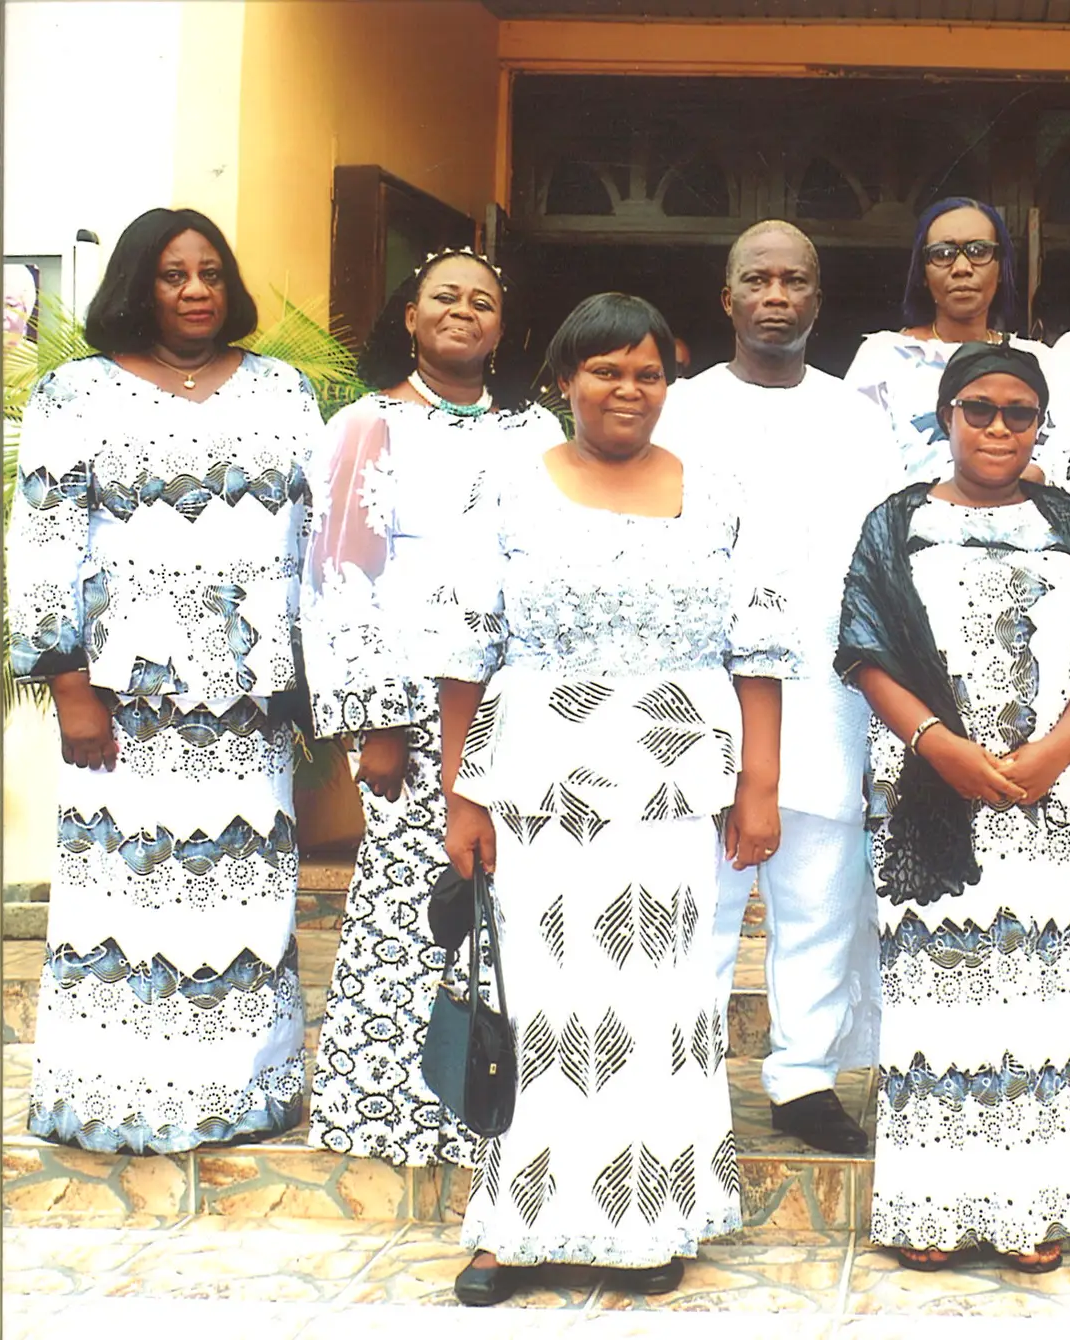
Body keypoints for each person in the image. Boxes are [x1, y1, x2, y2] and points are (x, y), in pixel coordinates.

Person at [430, 293, 794, 1305]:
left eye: (647, 373)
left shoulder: (719, 493)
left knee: (657, 997)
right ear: (563, 380)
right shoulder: (507, 488)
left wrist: (759, 787)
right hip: (538, 783)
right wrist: (462, 800)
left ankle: (647, 1219)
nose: (627, 389)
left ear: (669, 385)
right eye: (605, 370)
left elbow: (760, 652)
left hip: (670, 786)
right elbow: (463, 656)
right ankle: (514, 1228)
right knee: (542, 998)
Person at [5, 206, 320, 1152]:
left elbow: (318, 536)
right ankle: (118, 1095)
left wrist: (319, 677)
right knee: (127, 897)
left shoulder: (283, 390)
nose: (195, 291)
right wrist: (68, 684)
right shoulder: (75, 393)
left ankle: (241, 1092)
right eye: (174, 274)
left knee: (242, 898)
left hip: (249, 700)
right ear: (139, 283)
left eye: (211, 273)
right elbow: (44, 540)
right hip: (125, 701)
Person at [837, 341, 1070, 1272]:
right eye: (979, 409)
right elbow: (864, 650)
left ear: (1041, 423)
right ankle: (930, 1208)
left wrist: (1053, 753)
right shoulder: (895, 523)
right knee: (939, 1006)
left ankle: (1031, 1207)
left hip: (1047, 803)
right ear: (946, 417)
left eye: (1019, 412)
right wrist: (940, 747)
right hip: (931, 797)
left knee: (1039, 1002)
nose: (999, 427)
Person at [302, 249, 561, 1167]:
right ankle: (396, 1113)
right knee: (417, 906)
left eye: (482, 301)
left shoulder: (535, 431)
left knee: (513, 899)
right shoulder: (367, 424)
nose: (463, 311)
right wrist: (373, 724)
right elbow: (339, 578)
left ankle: (504, 1114)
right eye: (444, 297)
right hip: (408, 710)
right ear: (409, 316)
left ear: (504, 327)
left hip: (517, 702)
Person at [655, 220, 899, 1153]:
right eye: (757, 279)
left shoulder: (857, 418)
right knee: (699, 905)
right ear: (728, 298)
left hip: (829, 696)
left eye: (795, 280)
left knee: (819, 900)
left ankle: (803, 1081)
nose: (776, 296)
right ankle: (683, 1079)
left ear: (817, 301)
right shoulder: (678, 410)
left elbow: (883, 557)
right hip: (700, 697)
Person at [843, 196, 1070, 489]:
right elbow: (856, 466)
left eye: (978, 251)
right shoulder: (883, 359)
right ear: (922, 273)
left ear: (1001, 268)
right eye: (942, 253)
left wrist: (1039, 474)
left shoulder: (1044, 363)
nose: (962, 267)